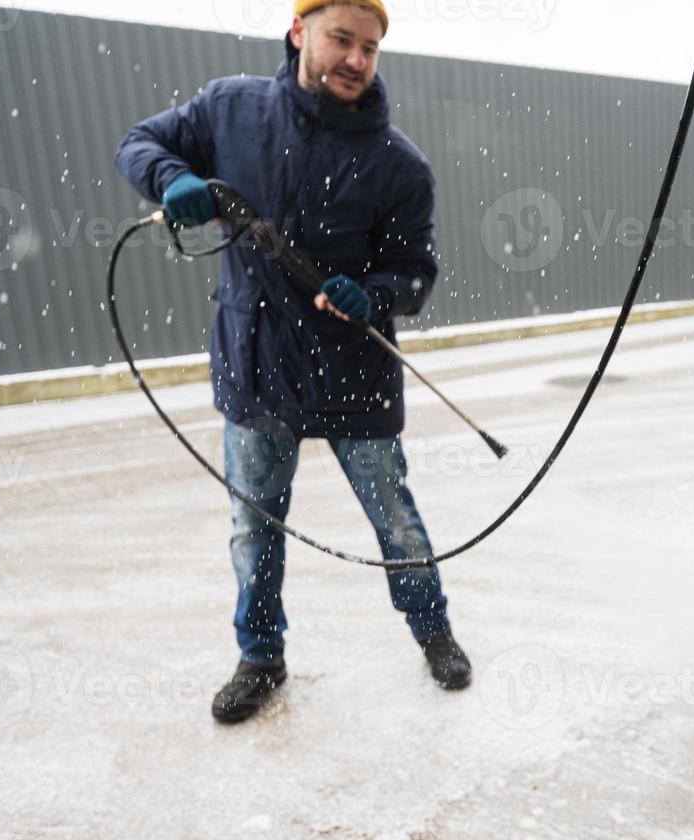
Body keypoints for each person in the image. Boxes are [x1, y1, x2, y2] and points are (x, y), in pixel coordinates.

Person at [116, 0, 472, 724]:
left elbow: (415, 271)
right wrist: (169, 179)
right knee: (254, 527)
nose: (355, 59)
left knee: (394, 519)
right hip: (256, 366)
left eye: (369, 48)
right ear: (299, 32)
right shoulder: (230, 110)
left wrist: (374, 294)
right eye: (342, 39)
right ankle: (260, 657)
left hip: (354, 373)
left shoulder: (399, 165)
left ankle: (433, 631)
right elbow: (140, 142)